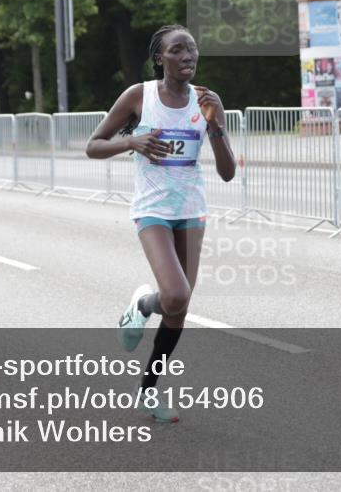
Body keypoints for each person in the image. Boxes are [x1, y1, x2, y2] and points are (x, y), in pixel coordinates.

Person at [86, 24, 236, 423]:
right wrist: (130, 141)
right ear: (160, 59)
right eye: (177, 50)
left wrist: (216, 124)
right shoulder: (140, 96)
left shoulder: (206, 101)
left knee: (180, 306)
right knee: (173, 293)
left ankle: (149, 390)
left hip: (191, 209)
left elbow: (227, 172)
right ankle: (142, 303)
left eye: (192, 49)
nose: (187, 56)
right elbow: (93, 145)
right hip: (152, 209)